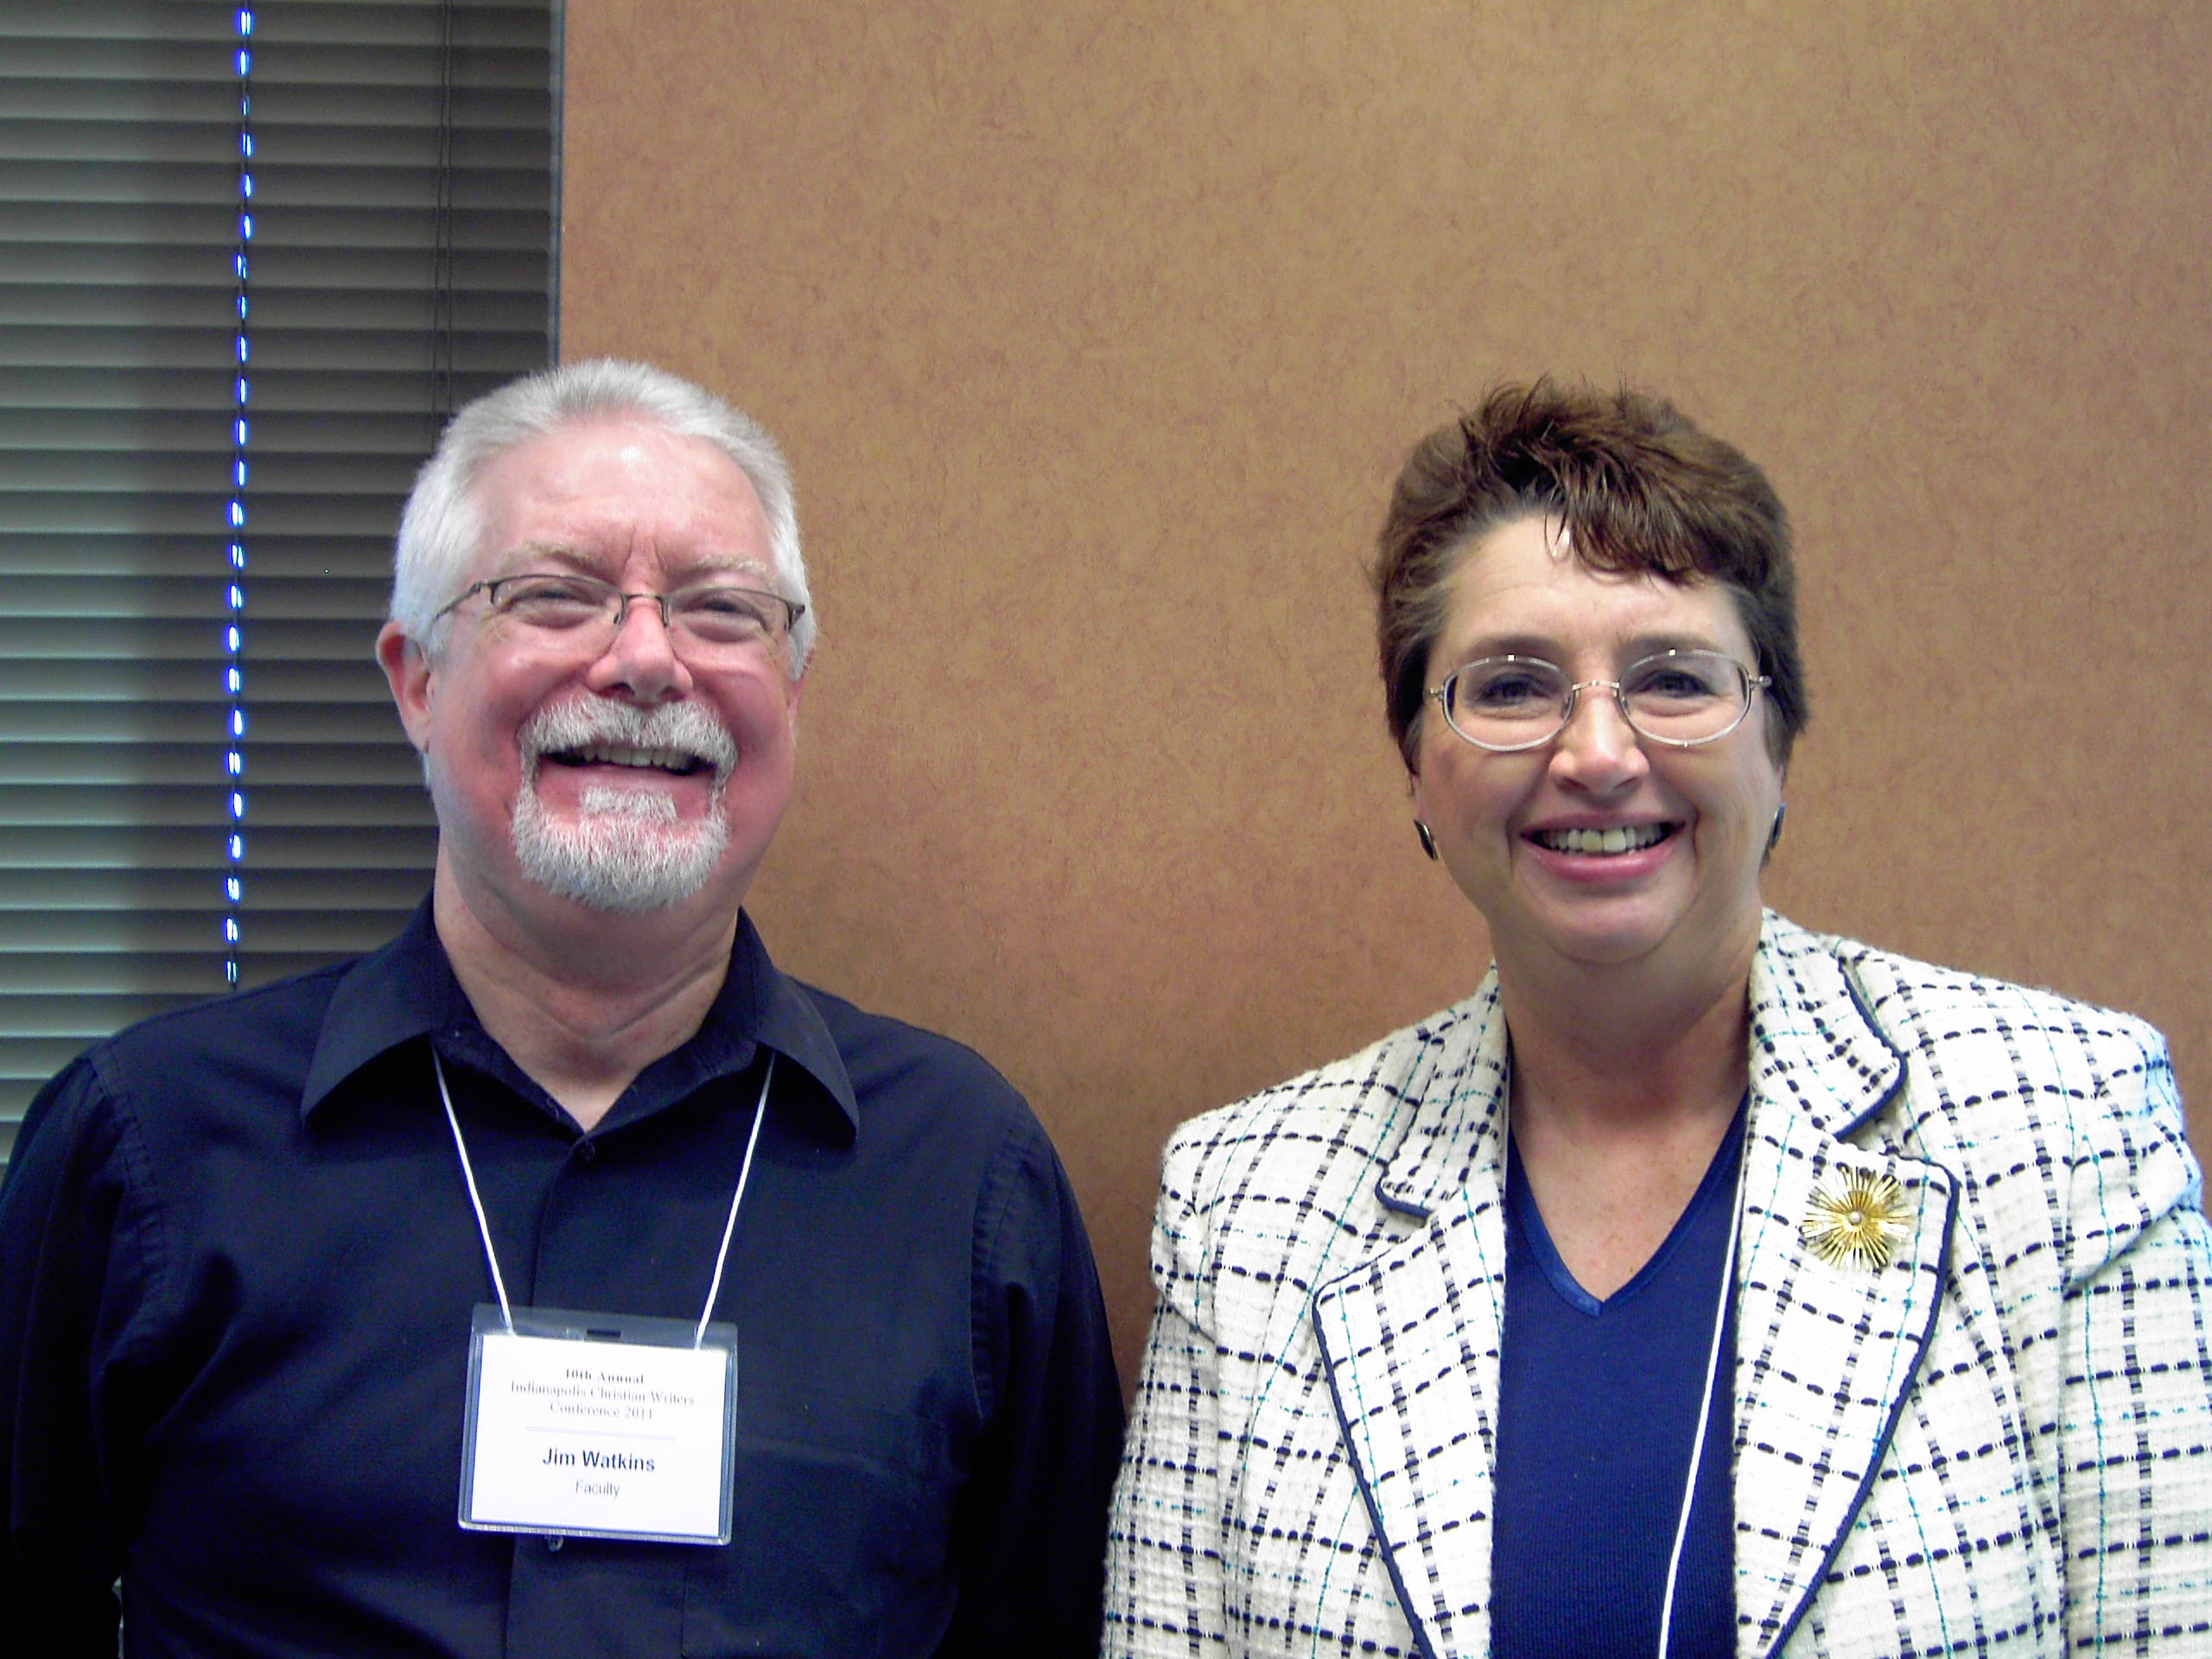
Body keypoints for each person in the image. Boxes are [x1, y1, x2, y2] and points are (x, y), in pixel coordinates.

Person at [0, 358, 1123, 1657]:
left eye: (721, 610)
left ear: (792, 693)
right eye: (554, 596)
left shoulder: (965, 1174)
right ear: (417, 680)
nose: (646, 658)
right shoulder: (146, 1147)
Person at [1104, 381, 2212, 1657]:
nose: (1597, 753)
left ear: (1777, 744)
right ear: (1416, 765)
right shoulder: (1251, 1208)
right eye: (1511, 688)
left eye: (1674, 679)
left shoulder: (2061, 1131)